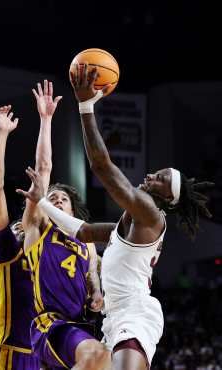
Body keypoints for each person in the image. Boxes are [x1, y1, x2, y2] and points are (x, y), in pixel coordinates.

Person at [17, 63, 214, 370]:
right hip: (115, 318)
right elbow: (82, 231)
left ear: (167, 198)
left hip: (134, 314)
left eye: (160, 177)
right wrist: (42, 203)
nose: (151, 174)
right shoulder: (131, 223)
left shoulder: (150, 213)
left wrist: (85, 107)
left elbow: (102, 166)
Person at [18, 81, 110, 370]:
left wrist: (96, 292)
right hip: (49, 325)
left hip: (80, 325)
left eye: (63, 199)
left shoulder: (87, 243)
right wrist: (46, 120)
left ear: (72, 209)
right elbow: (43, 169)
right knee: (97, 356)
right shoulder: (38, 229)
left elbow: (93, 275)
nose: (57, 200)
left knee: (110, 362)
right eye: (52, 198)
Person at [0, 105, 40, 369]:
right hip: (7, 353)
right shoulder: (7, 248)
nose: (20, 228)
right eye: (17, 227)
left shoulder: (48, 259)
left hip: (40, 357)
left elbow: (43, 178)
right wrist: (1, 134)